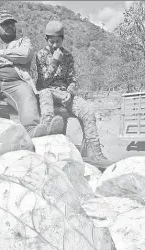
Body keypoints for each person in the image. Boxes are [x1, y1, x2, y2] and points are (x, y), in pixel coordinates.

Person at [0, 10, 57, 138]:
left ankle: (32, 130)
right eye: (5, 23)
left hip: (17, 82)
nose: (9, 26)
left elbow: (25, 55)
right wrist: (12, 58)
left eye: (12, 23)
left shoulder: (24, 41)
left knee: (27, 94)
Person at [35, 20, 108, 160]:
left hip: (64, 93)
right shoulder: (41, 55)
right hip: (47, 91)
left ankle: (96, 154)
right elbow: (44, 81)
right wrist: (55, 61)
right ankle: (46, 133)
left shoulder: (68, 56)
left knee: (87, 110)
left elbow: (73, 78)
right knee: (45, 95)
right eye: (52, 42)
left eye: (58, 41)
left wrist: (70, 92)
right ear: (46, 39)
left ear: (62, 39)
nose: (55, 45)